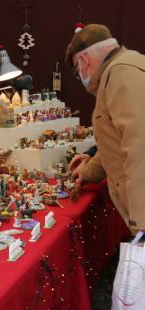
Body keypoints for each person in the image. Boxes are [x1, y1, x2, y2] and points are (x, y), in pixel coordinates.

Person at [66, 24, 145, 233]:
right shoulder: (123, 68)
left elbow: (140, 146)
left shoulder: (121, 74)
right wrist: (87, 170)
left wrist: (142, 221)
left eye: (76, 71)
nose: (80, 76)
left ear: (84, 60)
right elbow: (115, 143)